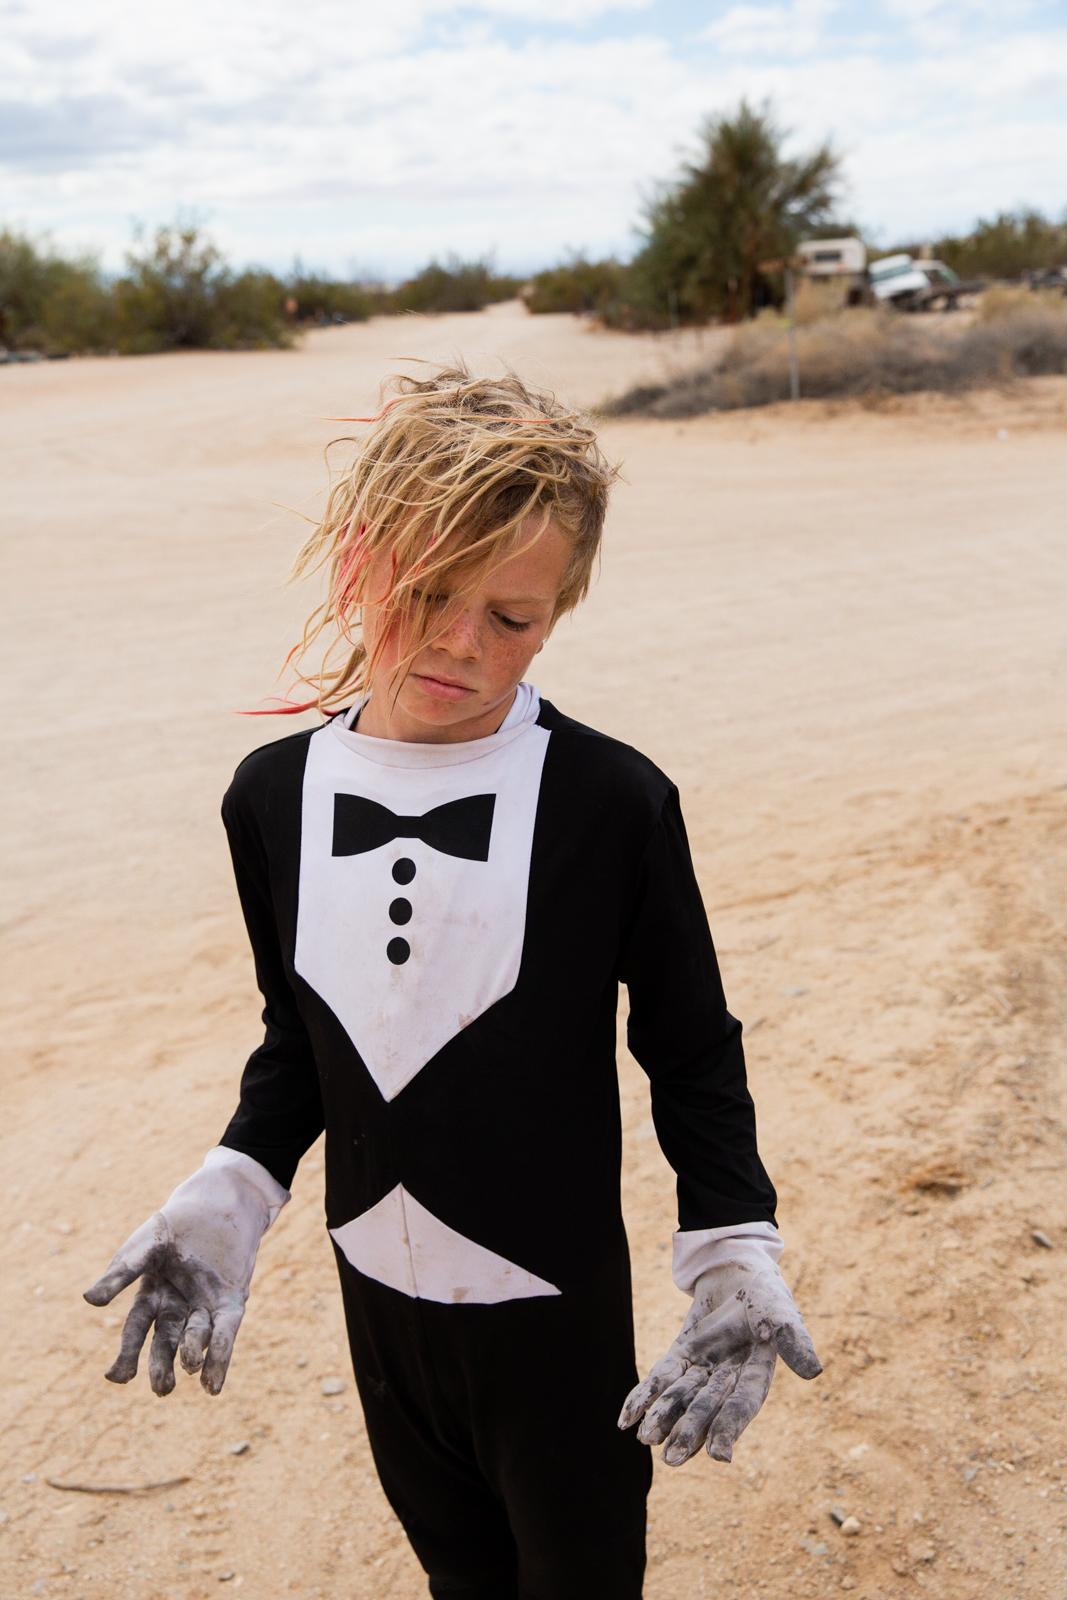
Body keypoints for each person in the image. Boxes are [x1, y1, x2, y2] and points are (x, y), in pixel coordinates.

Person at [83, 359, 822, 1599]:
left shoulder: (611, 802)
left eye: (511, 616)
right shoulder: (271, 797)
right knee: (456, 1576)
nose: (459, 641)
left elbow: (690, 1048)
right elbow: (298, 1039)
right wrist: (234, 1187)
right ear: (357, 555)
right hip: (378, 1307)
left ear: (561, 609)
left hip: (553, 1322)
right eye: (425, 590)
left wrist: (731, 1244)